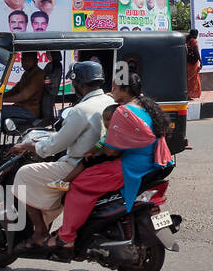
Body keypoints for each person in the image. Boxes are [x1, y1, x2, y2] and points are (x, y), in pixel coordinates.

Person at [48, 77, 172, 255]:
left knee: (78, 186)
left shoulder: (123, 112)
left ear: (125, 90)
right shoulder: (145, 105)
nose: (111, 92)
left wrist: (95, 152)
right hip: (151, 164)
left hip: (130, 167)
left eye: (114, 88)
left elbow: (112, 151)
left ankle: (66, 238)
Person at [10, 60, 114, 250]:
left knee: (24, 174)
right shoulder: (109, 101)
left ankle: (40, 230)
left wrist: (28, 146)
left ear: (80, 84)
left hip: (76, 164)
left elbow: (55, 145)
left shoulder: (80, 110)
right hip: (99, 162)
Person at [2, 53, 46, 127]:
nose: (24, 63)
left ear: (36, 61)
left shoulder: (38, 75)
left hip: (29, 111)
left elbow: (23, 96)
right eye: (23, 60)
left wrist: (2, 100)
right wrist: (0, 96)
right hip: (21, 108)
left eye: (28, 60)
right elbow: (15, 90)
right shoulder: (27, 73)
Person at [186, 28, 202, 99]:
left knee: (188, 79)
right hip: (193, 63)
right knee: (193, 79)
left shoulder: (187, 40)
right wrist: (200, 60)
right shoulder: (194, 41)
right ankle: (191, 94)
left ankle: (187, 94)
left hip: (188, 62)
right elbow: (196, 51)